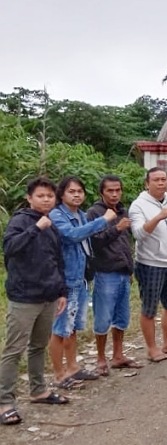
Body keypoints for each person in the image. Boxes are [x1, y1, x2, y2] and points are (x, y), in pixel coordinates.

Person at [1, 178, 69, 426]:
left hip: (48, 296)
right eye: (41, 196)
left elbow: (56, 260)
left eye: (50, 196)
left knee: (38, 346)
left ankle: (38, 390)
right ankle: (4, 402)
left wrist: (62, 291)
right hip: (24, 297)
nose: (46, 199)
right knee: (14, 350)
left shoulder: (51, 225)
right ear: (30, 198)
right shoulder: (21, 221)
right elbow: (9, 248)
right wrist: (36, 228)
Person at [49, 176, 116, 387]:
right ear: (62, 194)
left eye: (79, 191)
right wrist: (103, 220)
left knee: (72, 327)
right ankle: (59, 374)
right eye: (71, 191)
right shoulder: (57, 215)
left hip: (80, 278)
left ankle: (73, 368)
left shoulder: (80, 215)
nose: (76, 195)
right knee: (60, 329)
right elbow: (71, 236)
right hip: (64, 280)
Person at [129, 167, 167, 363]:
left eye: (164, 179)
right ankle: (152, 349)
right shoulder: (138, 205)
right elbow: (138, 233)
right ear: (147, 183)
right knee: (149, 309)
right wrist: (157, 217)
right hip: (149, 263)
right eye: (156, 180)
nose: (161, 183)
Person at [87, 175, 142, 376]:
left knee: (122, 317)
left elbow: (125, 244)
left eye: (118, 190)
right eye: (110, 190)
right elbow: (94, 242)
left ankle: (118, 355)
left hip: (122, 272)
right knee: (103, 318)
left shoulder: (122, 211)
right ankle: (101, 358)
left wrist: (129, 268)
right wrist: (116, 228)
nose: (115, 194)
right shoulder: (94, 213)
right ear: (101, 192)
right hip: (105, 272)